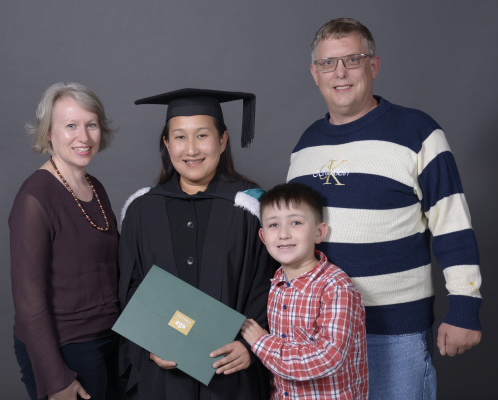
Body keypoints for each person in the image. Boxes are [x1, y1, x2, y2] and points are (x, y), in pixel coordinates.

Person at [287, 18, 483, 400]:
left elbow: (452, 224)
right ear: (314, 73)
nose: (340, 73)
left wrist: (465, 307)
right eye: (328, 63)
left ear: (373, 66)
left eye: (353, 60)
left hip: (394, 334)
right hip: (318, 332)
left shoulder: (417, 132)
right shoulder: (305, 145)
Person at [118, 88, 277, 400]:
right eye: (180, 137)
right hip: (162, 379)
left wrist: (249, 346)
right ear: (167, 143)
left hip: (231, 374)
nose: (191, 149)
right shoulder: (142, 209)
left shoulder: (250, 209)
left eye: (202, 135)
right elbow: (131, 285)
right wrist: (150, 342)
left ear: (223, 140)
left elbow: (270, 285)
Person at [9, 82, 124, 400]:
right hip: (65, 349)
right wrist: (55, 378)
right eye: (71, 125)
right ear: (49, 132)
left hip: (110, 339)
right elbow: (28, 301)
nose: (83, 137)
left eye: (91, 125)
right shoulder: (35, 197)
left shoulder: (95, 186)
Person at [241, 182, 368, 399]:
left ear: (319, 232)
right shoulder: (275, 284)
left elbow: (327, 358)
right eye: (273, 225)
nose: (283, 234)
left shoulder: (336, 287)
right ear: (263, 237)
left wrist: (262, 342)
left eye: (296, 222)